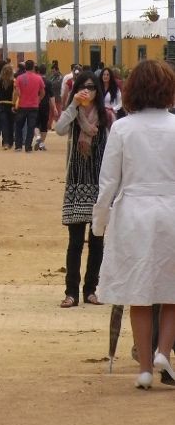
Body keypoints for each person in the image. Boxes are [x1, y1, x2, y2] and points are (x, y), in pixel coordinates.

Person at [92, 59, 175, 389]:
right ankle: (163, 351)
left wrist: (98, 224)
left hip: (134, 214)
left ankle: (143, 369)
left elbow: (108, 182)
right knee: (172, 292)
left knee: (139, 295)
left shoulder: (122, 128)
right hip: (171, 209)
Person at [56, 70, 114, 308]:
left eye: (91, 87)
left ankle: (91, 289)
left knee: (98, 241)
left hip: (99, 184)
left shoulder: (105, 116)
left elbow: (111, 149)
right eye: (83, 86)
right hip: (77, 182)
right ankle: (71, 292)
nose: (87, 91)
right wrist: (72, 104)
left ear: (98, 90)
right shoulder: (73, 115)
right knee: (75, 241)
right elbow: (59, 129)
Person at [12, 59, 45, 152]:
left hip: (22, 105)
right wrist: (38, 100)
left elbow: (17, 92)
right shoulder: (39, 78)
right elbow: (42, 92)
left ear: (25, 67)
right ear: (33, 67)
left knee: (18, 126)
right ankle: (28, 147)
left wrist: (17, 101)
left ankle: (18, 146)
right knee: (31, 127)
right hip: (34, 106)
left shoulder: (19, 78)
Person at [32, 64, 53, 151]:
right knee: (44, 125)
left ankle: (38, 139)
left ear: (38, 71)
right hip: (45, 105)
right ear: (45, 71)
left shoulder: (35, 80)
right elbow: (51, 96)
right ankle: (41, 144)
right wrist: (54, 108)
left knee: (35, 124)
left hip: (35, 104)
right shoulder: (48, 82)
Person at [0, 62, 15, 149]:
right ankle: (10, 142)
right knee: (11, 124)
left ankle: (5, 142)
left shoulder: (0, 81)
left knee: (4, 124)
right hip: (10, 104)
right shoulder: (14, 82)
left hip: (1, 104)